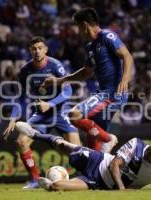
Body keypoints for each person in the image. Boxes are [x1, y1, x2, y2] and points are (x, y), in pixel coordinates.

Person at [15, 121, 151, 191]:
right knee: (65, 146)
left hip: (96, 182)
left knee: (58, 187)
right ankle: (37, 134)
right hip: (99, 161)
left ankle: (47, 184)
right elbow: (114, 167)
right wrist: (122, 190)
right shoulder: (137, 144)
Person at [42, 7, 134, 152]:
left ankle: (108, 139)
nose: (78, 32)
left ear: (84, 25)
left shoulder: (106, 36)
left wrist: (125, 79)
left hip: (112, 93)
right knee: (94, 148)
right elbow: (86, 72)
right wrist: (59, 81)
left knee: (74, 114)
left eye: (78, 27)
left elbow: (127, 56)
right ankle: (98, 165)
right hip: (104, 93)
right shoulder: (90, 47)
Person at [2, 36, 81, 189]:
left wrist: (50, 103)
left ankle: (82, 179)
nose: (37, 51)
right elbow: (20, 96)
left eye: (40, 48)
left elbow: (68, 90)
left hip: (60, 111)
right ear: (30, 51)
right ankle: (34, 180)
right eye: (34, 49)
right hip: (41, 114)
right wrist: (12, 119)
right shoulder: (26, 71)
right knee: (21, 142)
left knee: (77, 150)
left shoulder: (55, 66)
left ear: (45, 49)